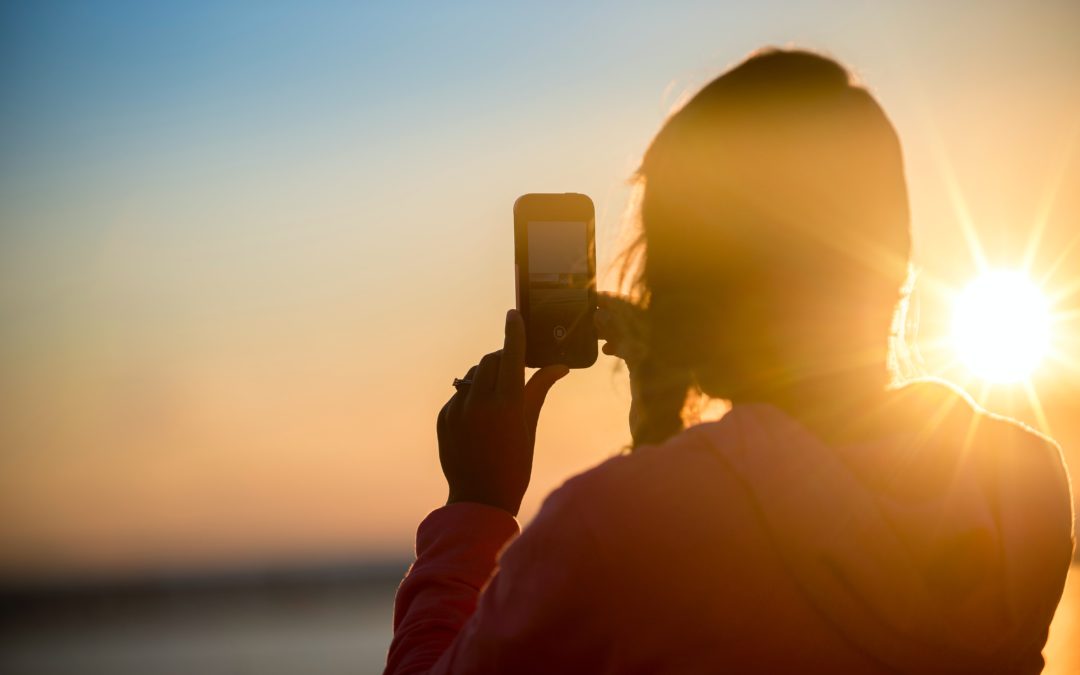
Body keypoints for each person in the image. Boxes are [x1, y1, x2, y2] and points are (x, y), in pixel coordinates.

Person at [384, 48, 1074, 674]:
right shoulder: (1025, 485)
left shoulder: (607, 527)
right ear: (894, 252)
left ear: (687, 279)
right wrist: (661, 446)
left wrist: (474, 506)